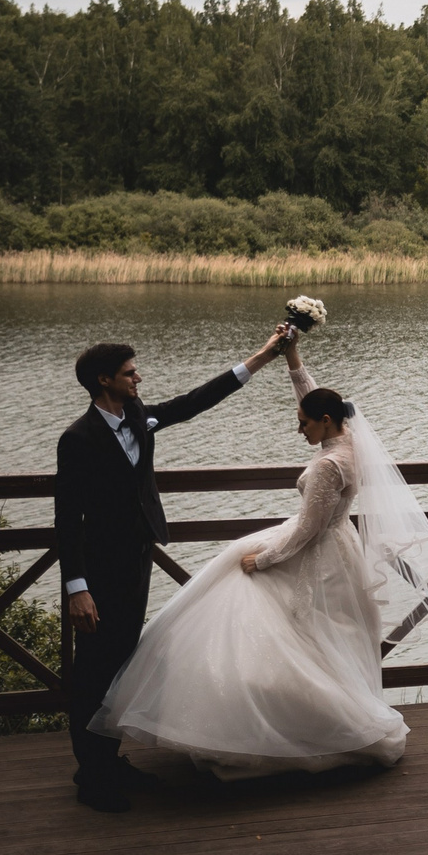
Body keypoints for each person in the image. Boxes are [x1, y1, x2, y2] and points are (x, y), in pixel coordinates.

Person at [85, 332, 428, 783]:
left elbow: (307, 529)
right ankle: (306, 722)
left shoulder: (327, 465)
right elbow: (313, 399)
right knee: (324, 642)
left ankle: (285, 730)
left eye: (303, 423)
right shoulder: (348, 438)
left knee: (271, 626)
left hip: (313, 552)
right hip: (341, 549)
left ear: (323, 422)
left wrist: (263, 560)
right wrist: (290, 357)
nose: (299, 429)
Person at [57, 329, 289, 812]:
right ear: (104, 380)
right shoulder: (77, 439)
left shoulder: (139, 416)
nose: (138, 377)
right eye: (129, 373)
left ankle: (109, 760)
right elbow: (66, 518)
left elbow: (195, 401)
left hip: (136, 561)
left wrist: (263, 357)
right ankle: (91, 776)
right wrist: (77, 588)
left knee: (123, 661)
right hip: (98, 571)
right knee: (94, 668)